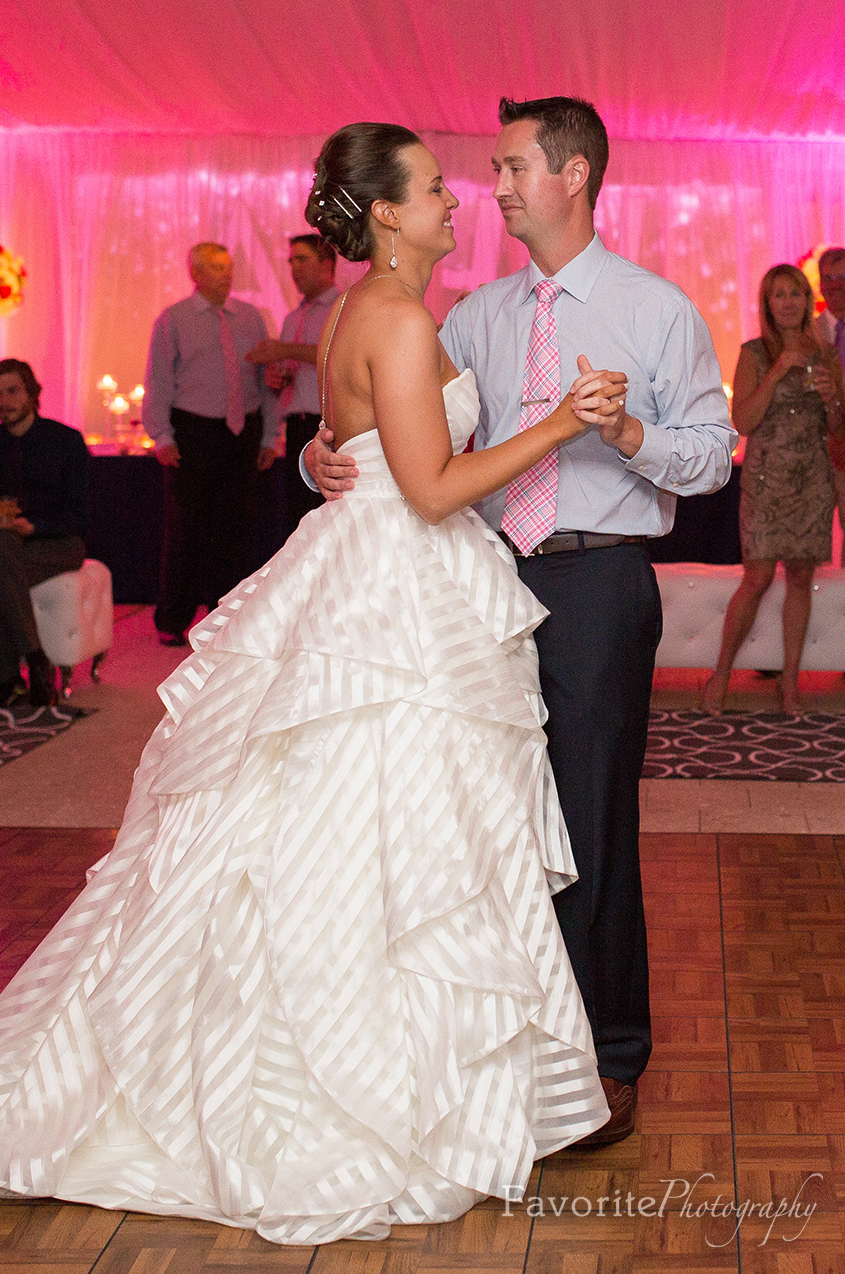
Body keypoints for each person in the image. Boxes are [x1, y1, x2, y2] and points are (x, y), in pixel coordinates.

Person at [0, 123, 628, 1241]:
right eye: (437, 190)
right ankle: (358, 1092)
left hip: (379, 574)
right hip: (396, 593)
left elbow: (347, 442)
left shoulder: (364, 309)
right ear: (389, 213)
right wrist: (558, 424)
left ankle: (370, 1062)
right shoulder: (396, 316)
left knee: (371, 837)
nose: (458, 203)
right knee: (388, 838)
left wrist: (316, 459)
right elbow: (435, 488)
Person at [307, 98, 736, 1144]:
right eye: (485, 172)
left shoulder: (656, 309)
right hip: (474, 583)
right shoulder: (472, 316)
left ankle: (606, 1052)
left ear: (575, 173)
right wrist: (327, 454)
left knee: (588, 820)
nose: (489, 187)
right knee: (493, 821)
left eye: (510, 167)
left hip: (595, 583)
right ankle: (511, 1042)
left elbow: (712, 456)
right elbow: (400, 435)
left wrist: (626, 428)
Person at [704, 266, 844, 715]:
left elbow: (839, 429)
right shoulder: (753, 352)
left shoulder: (825, 353)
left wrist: (832, 400)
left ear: (807, 300)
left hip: (812, 479)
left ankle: (790, 686)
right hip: (765, 481)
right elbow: (742, 422)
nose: (788, 302)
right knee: (758, 578)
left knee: (802, 576)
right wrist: (778, 369)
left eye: (795, 294)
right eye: (778, 295)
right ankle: (721, 676)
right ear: (767, 303)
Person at [143, 242, 279, 646]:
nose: (226, 274)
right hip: (194, 432)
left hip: (243, 432)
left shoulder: (250, 317)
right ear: (196, 273)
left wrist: (271, 435)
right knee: (187, 528)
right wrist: (163, 435)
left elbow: (264, 381)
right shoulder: (174, 319)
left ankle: (228, 617)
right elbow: (159, 381)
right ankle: (174, 619)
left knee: (237, 528)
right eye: (216, 268)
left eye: (229, 267)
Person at [0, 359, 88, 709]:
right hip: (9, 544)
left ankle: (14, 675)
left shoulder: (66, 440)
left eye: (13, 391)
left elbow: (81, 512)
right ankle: (22, 668)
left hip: (59, 543)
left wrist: (34, 526)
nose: (4, 402)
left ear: (32, 393)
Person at [246, 234, 338, 531]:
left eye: (302, 259)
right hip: (298, 427)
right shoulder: (293, 317)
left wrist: (286, 350)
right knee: (299, 522)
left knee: (329, 519)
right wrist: (277, 380)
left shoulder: (343, 307)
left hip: (332, 427)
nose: (293, 268)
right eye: (290, 261)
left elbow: (341, 357)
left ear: (327, 264)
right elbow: (289, 376)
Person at [815, 248, 845, 569]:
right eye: (829, 278)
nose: (837, 285)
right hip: (815, 456)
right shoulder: (802, 334)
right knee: (811, 549)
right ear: (820, 285)